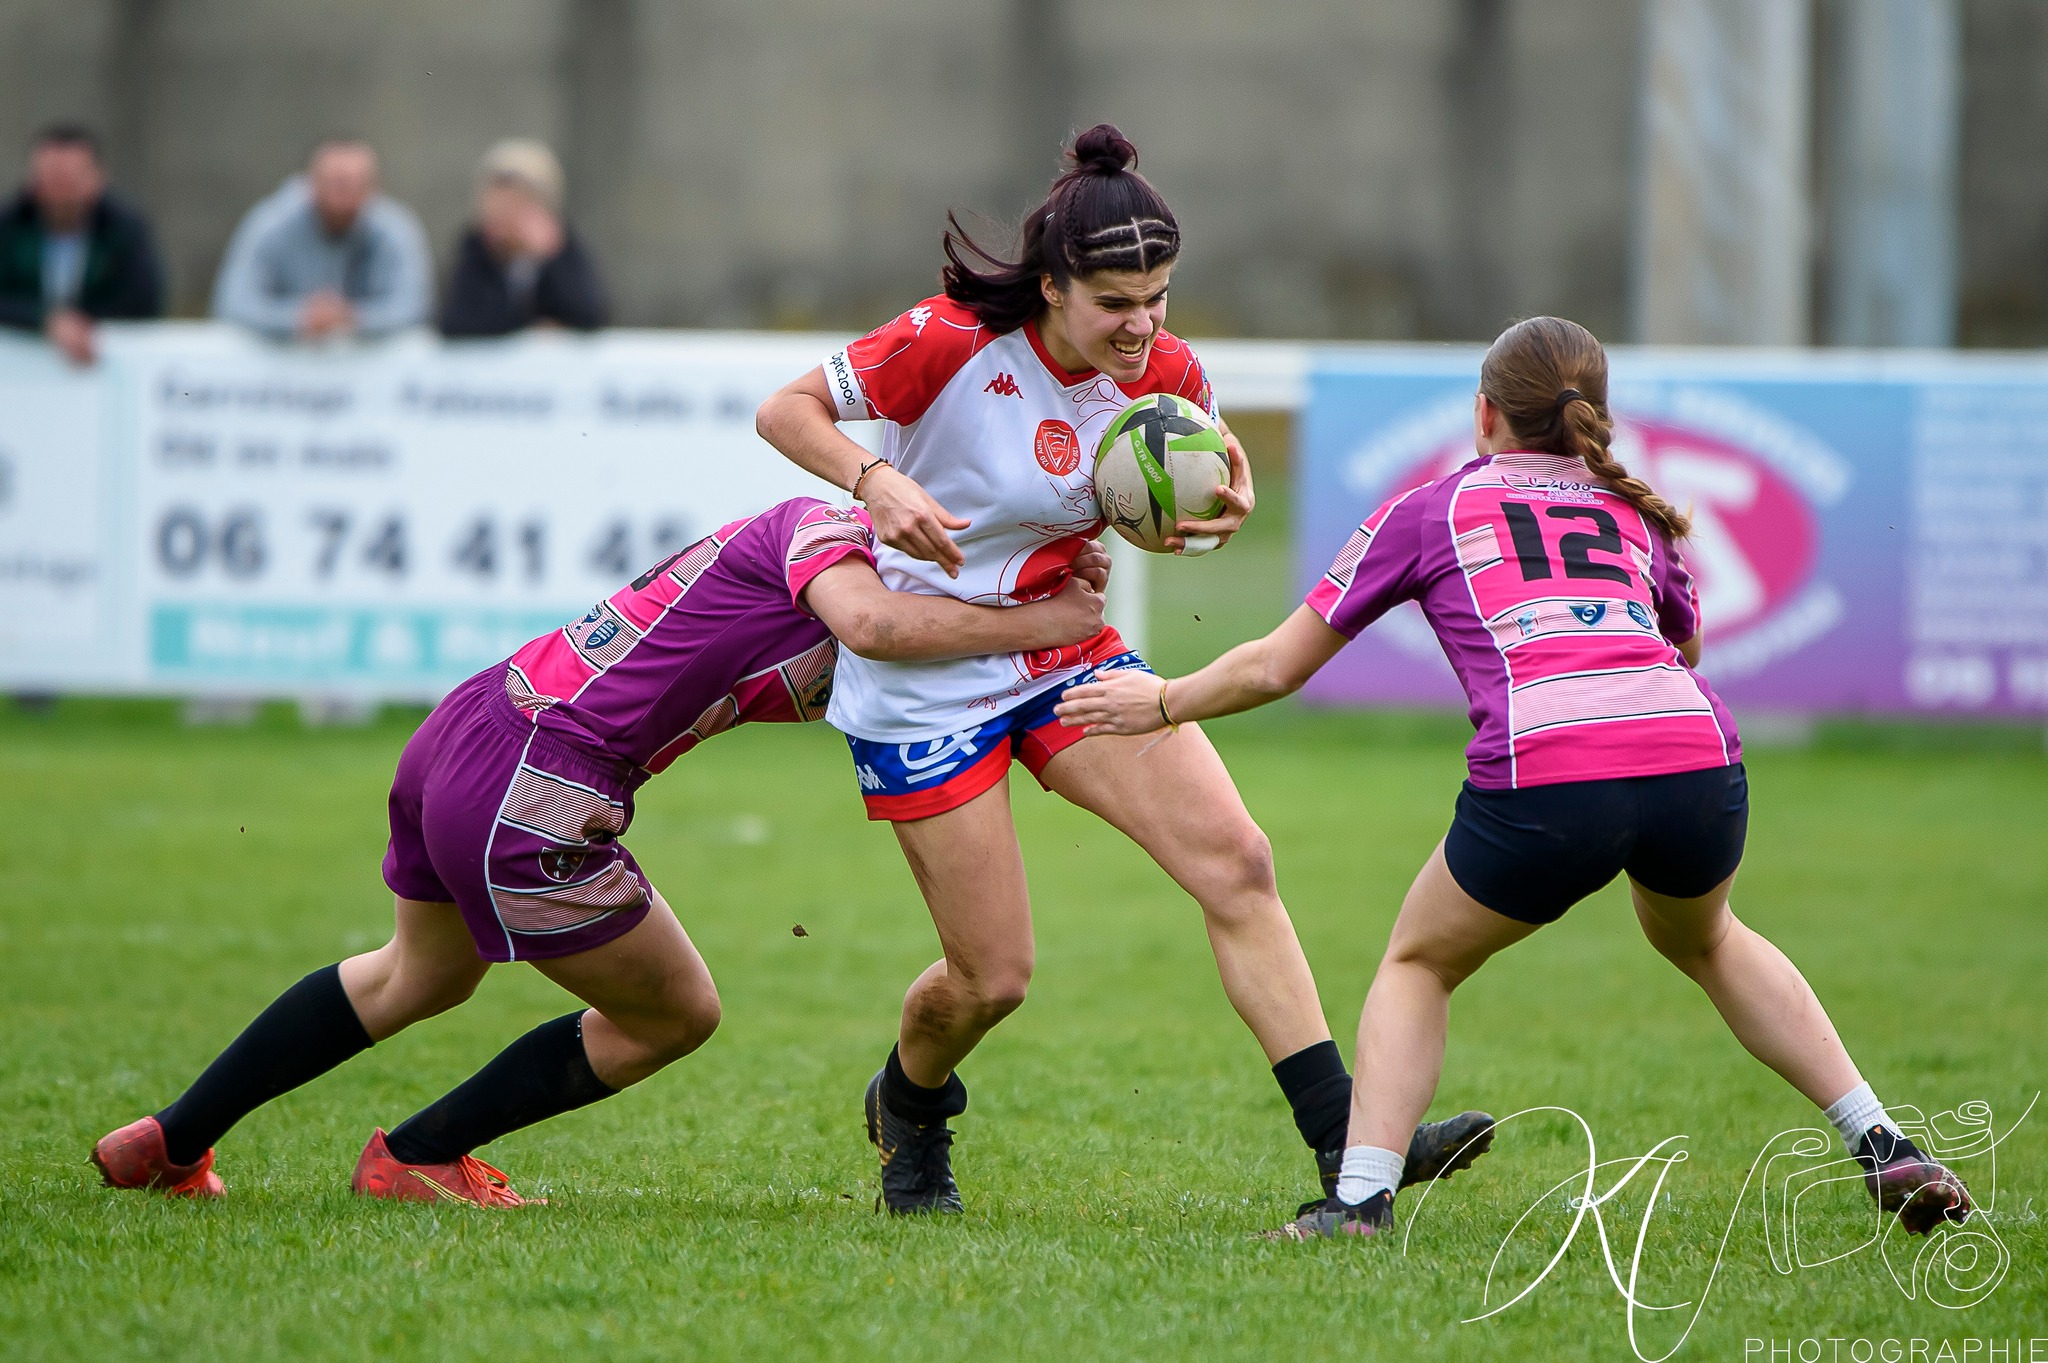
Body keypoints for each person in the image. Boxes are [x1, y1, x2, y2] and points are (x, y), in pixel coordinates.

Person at [1055, 316, 1976, 1240]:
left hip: (1552, 771)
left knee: (1421, 961)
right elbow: (1681, 646)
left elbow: (1275, 668)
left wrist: (1164, 699)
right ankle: (1884, 1141)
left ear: (1484, 414)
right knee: (1711, 940)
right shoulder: (1637, 511)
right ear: (1592, 419)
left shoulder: (1428, 510)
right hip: (1696, 759)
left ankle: (1359, 1203)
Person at [756, 124, 1492, 1216]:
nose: (1142, 326)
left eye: (1156, 295)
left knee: (1236, 862)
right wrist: (875, 482)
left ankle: (1348, 1155)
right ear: (1051, 287)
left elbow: (1175, 485)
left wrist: (1209, 511)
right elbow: (785, 411)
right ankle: (908, 1104)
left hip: (1062, 649)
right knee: (989, 979)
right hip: (928, 680)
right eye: (1114, 303)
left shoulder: (1166, 370)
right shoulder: (949, 340)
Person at [91, 498, 1111, 1205]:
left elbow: (896, 653)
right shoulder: (825, 534)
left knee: (419, 973)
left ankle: (169, 1139)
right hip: (530, 787)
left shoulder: (852, 584)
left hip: (471, 722)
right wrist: (1044, 619)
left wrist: (1021, 617)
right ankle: (416, 1154)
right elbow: (872, 623)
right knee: (676, 1012)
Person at [211, 138, 430, 341]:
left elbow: (415, 306)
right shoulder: (271, 224)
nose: (344, 197)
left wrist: (353, 319)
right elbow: (232, 303)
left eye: (356, 185)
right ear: (311, 182)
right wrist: (298, 318)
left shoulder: (395, 229)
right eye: (337, 183)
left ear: (374, 187)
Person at [0, 124, 163, 365]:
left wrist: (84, 325)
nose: (59, 192)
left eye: (68, 180)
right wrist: (44, 320)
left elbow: (145, 299)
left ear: (97, 177)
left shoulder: (125, 228)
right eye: (50, 178)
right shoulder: (10, 225)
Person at [440, 139, 607, 337]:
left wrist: (548, 258)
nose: (504, 215)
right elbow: (458, 321)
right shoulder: (476, 246)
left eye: (516, 204)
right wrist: (529, 324)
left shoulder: (562, 245)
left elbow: (588, 315)